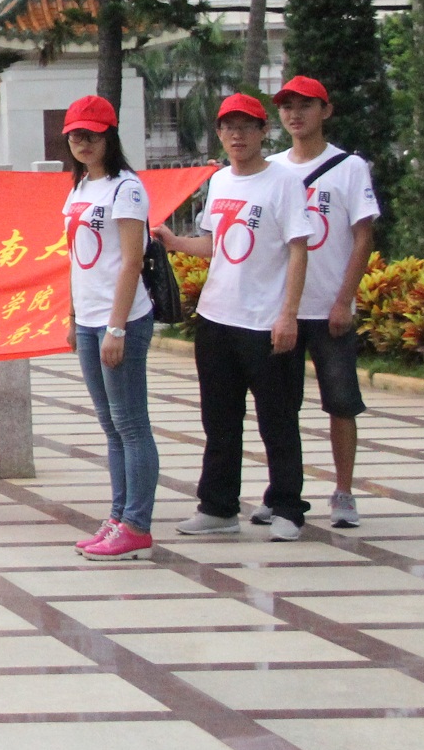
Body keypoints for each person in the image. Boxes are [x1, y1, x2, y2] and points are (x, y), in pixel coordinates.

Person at [154, 94, 313, 541]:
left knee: (277, 420)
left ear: (264, 132)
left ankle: (287, 507)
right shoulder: (221, 181)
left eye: (246, 127)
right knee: (219, 420)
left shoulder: (284, 183)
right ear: (219, 134)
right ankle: (218, 507)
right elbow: (215, 244)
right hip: (216, 318)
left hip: (265, 322)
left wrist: (288, 315)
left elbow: (299, 250)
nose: (237, 135)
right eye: (228, 127)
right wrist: (174, 243)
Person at [269, 75, 378, 530]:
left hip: (329, 308)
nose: (295, 114)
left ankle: (344, 491)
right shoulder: (271, 168)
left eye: (305, 105)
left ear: (326, 111)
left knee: (341, 402)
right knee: (279, 406)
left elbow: (363, 237)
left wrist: (343, 301)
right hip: (283, 312)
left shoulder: (350, 168)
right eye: (286, 106)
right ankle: (282, 493)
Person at [59, 97, 158, 561]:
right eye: (75, 136)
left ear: (109, 137)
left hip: (122, 321)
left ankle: (137, 525)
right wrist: (73, 317)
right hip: (88, 320)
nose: (83, 143)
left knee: (131, 424)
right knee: (111, 426)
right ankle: (118, 518)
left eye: (92, 135)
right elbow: (75, 259)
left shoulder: (126, 189)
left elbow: (132, 260)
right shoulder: (79, 188)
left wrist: (116, 328)